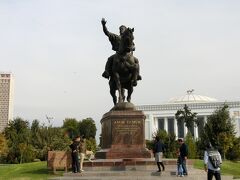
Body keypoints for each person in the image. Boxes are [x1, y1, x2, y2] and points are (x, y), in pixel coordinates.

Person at [101, 18, 141, 86]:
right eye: (120, 29)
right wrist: (103, 25)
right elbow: (107, 32)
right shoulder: (116, 37)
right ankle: (106, 72)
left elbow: (133, 46)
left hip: (128, 55)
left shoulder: (128, 38)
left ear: (125, 30)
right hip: (118, 55)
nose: (121, 30)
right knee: (110, 59)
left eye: (122, 29)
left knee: (136, 60)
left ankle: (136, 76)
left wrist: (131, 48)